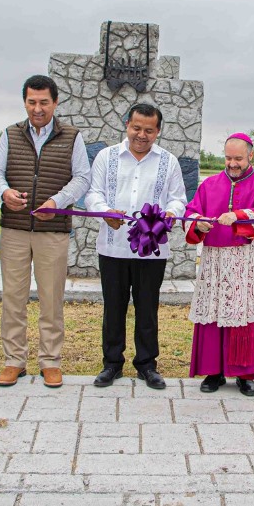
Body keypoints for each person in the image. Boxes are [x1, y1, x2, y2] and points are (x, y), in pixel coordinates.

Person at [0, 75, 91, 388]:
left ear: (55, 103)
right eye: (32, 101)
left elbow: (82, 178)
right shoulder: (10, 134)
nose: (37, 108)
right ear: (25, 102)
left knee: (51, 298)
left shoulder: (72, 136)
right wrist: (4, 192)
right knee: (13, 298)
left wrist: (57, 201)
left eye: (44, 101)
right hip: (15, 229)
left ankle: (50, 361)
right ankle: (14, 361)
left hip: (53, 230)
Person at [85, 104, 187, 390]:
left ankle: (146, 365)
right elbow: (94, 193)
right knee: (113, 307)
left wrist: (171, 212)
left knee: (147, 308)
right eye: (136, 128)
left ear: (158, 131)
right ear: (127, 124)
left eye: (149, 130)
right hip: (112, 246)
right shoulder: (107, 157)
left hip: (152, 249)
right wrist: (105, 211)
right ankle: (112, 364)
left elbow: (179, 198)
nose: (141, 135)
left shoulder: (169, 161)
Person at [185, 133, 254, 397]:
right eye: (228, 158)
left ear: (251, 155)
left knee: (245, 313)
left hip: (247, 261)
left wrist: (237, 216)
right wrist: (198, 223)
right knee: (213, 311)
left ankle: (244, 374)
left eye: (238, 158)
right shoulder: (210, 184)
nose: (232, 163)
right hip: (215, 261)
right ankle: (213, 372)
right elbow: (192, 210)